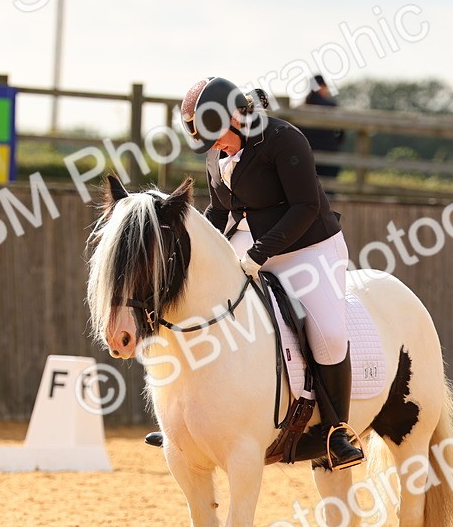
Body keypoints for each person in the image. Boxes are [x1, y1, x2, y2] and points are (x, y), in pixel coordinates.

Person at [146, 75, 364, 470]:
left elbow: (305, 207)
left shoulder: (284, 140)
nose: (214, 148)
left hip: (308, 246)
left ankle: (336, 431)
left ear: (235, 116)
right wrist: (204, 248)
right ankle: (188, 419)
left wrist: (258, 254)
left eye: (216, 137)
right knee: (200, 305)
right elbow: (219, 209)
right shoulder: (217, 152)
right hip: (249, 242)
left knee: (328, 335)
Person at [300, 74, 345, 183]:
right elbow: (342, 131)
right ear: (321, 87)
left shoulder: (301, 109)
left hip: (306, 156)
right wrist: (335, 143)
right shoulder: (331, 106)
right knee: (328, 191)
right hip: (329, 154)